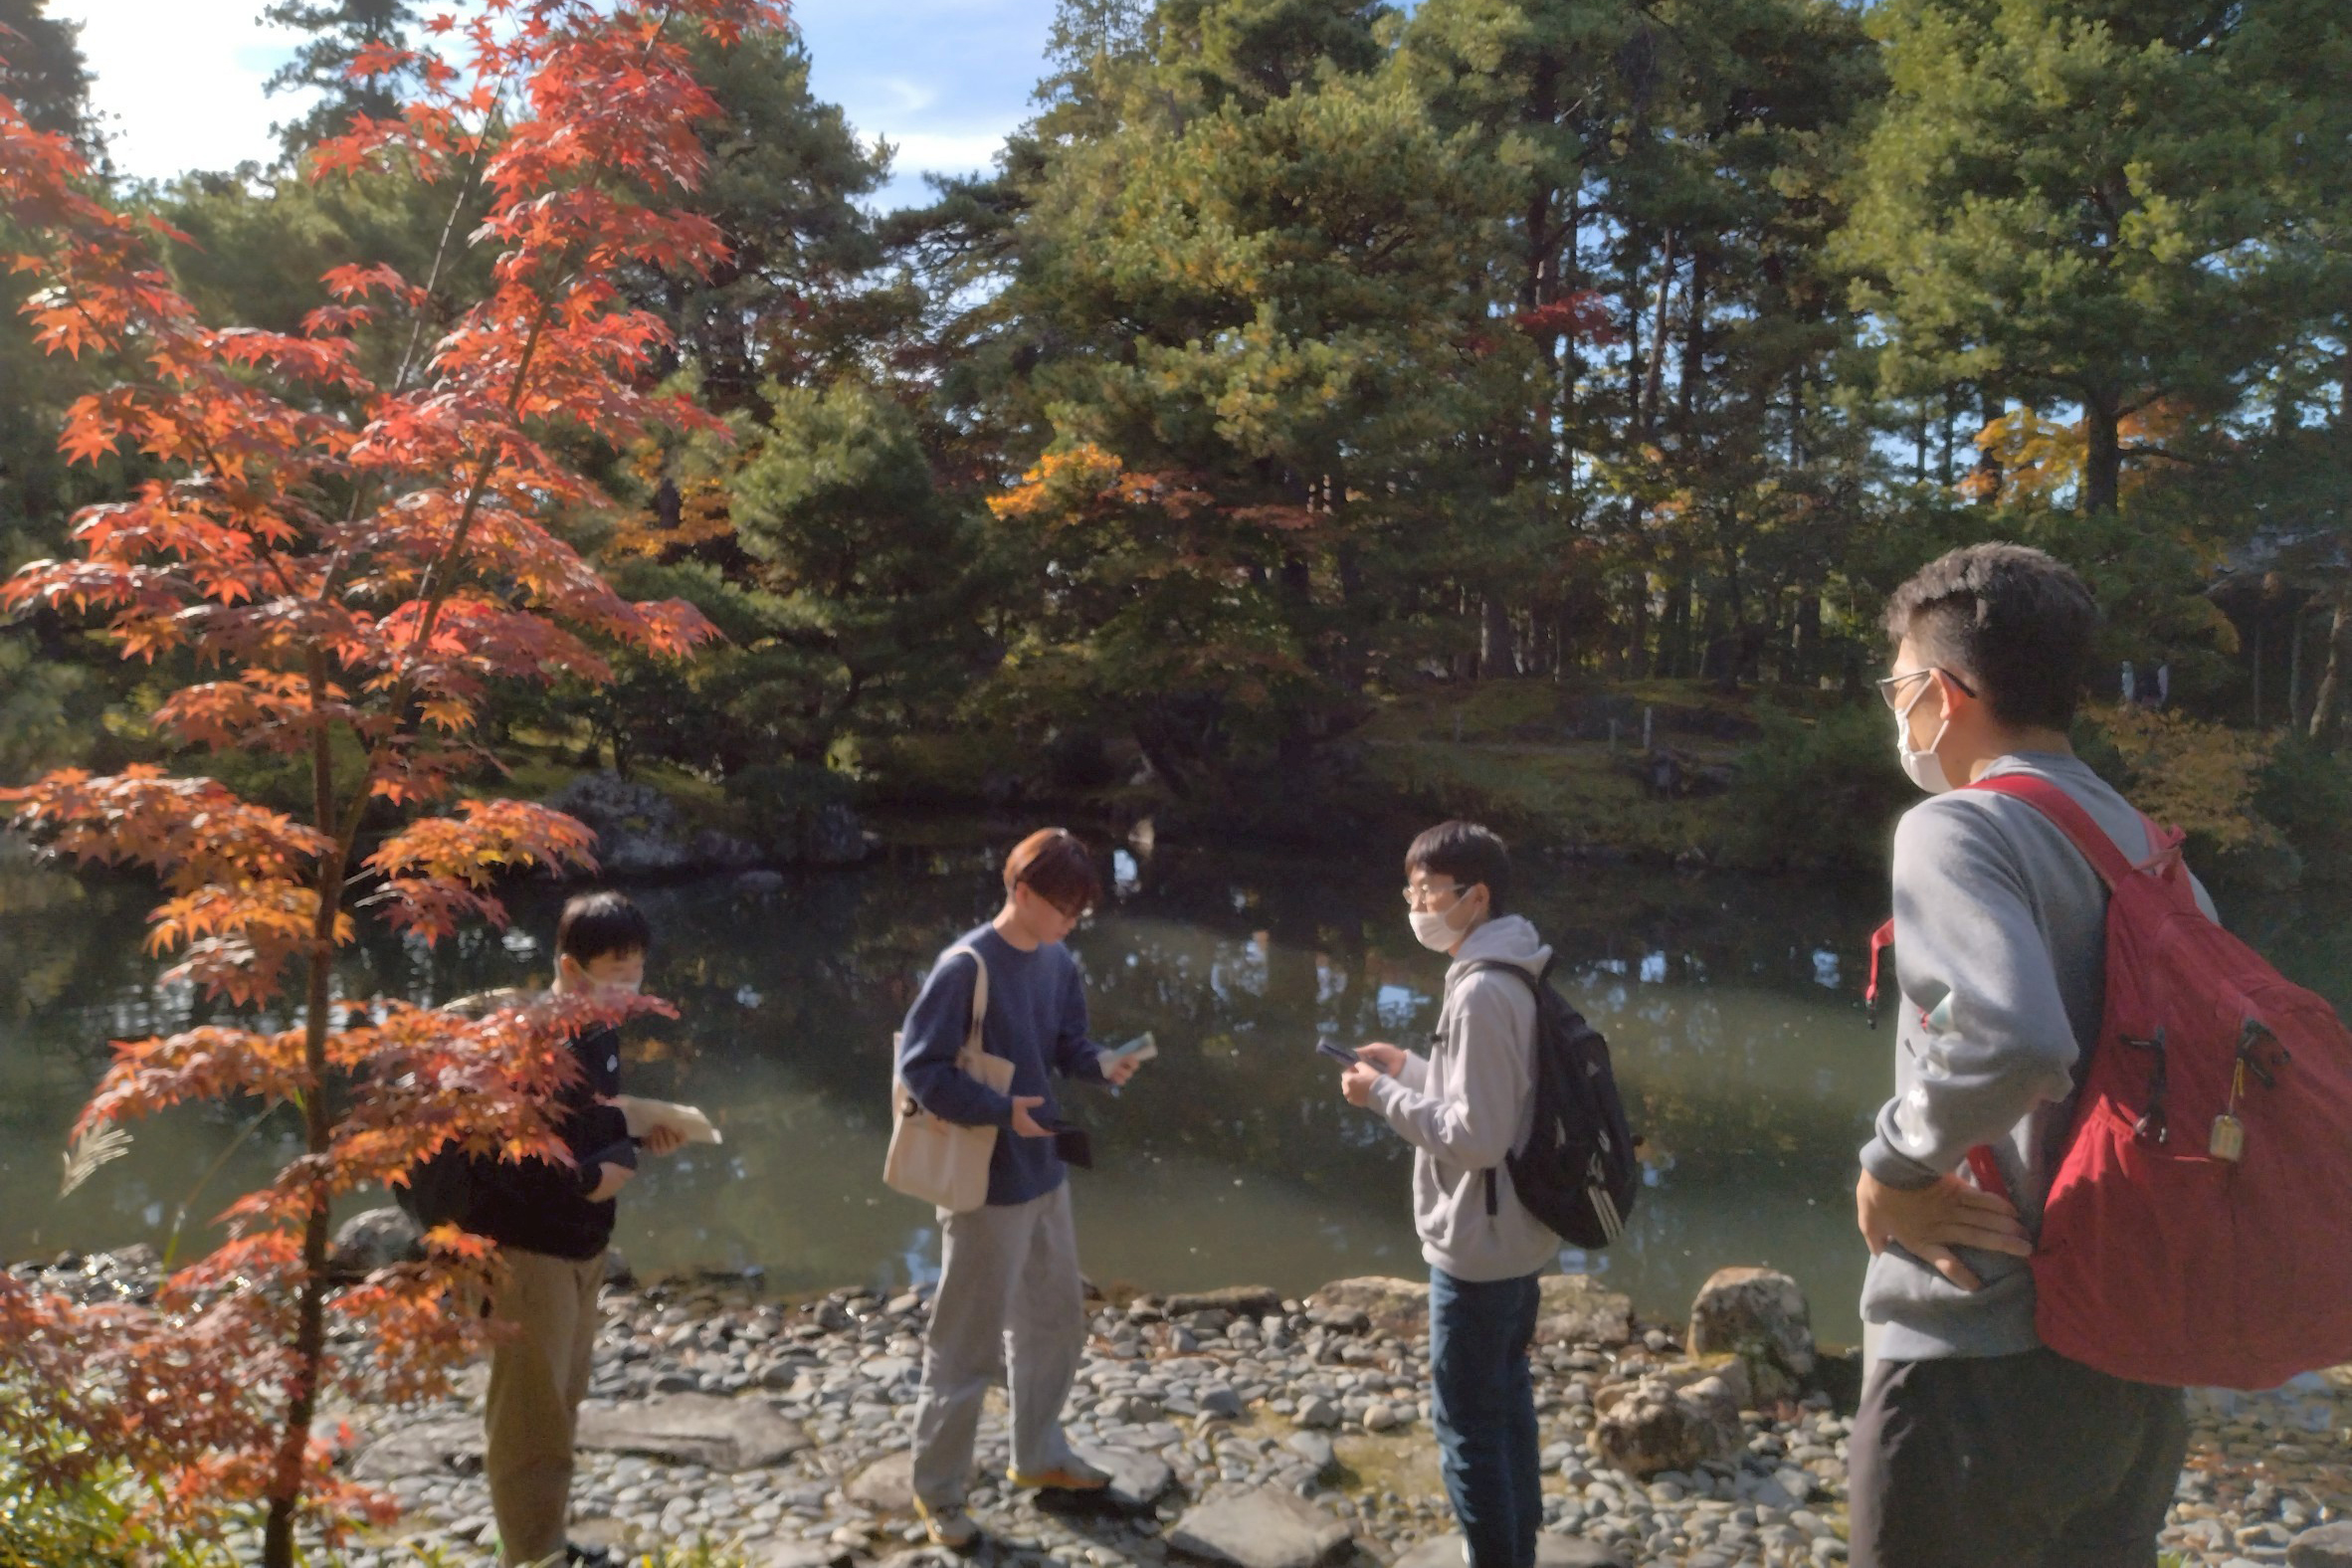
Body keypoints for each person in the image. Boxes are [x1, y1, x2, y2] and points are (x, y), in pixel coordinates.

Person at [1854, 543, 2212, 1568]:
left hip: (1979, 1353)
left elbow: (2014, 1039)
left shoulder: (1960, 825)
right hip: (2131, 1356)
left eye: (1898, 685)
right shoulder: (2155, 850)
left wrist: (1891, 1165)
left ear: (1942, 691)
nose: (1897, 710)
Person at [897, 829, 1145, 1549]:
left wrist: (1103, 1064)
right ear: (1022, 892)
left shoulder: (1058, 960)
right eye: (1063, 906)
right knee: (965, 1347)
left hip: (1046, 1172)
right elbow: (922, 1069)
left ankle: (1037, 1456)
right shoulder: (965, 965)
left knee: (1055, 1323)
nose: (1072, 921)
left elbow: (1066, 1045)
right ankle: (938, 1493)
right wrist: (1002, 1112)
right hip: (985, 1182)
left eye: (1080, 910)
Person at [1340, 821, 1557, 1568]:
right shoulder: (1510, 965)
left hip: (1478, 1247)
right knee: (1507, 1404)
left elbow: (1476, 1139)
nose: (1417, 903)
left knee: (1466, 1427)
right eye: (1412, 889)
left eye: (1428, 890)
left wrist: (1379, 1100)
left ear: (1476, 895)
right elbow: (1494, 1102)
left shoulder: (1482, 992)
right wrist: (1404, 1068)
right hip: (1517, 1235)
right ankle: (1517, 1549)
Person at [475, 890, 685, 1568]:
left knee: (564, 1396)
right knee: (530, 1412)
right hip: (530, 1247)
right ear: (570, 967)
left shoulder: (600, 1031)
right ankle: (530, 1555)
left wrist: (638, 1133)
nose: (628, 986)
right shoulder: (533, 1040)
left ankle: (547, 1540)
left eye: (636, 971)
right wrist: (587, 1181)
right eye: (614, 971)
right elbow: (507, 1160)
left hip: (583, 1240)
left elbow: (587, 1125)